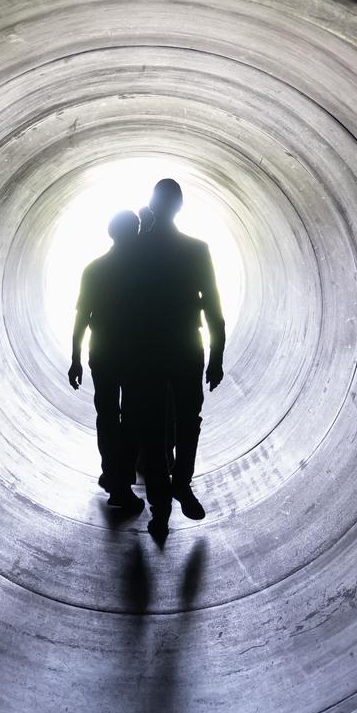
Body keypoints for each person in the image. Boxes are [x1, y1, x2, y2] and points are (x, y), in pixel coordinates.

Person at [124, 178, 226, 540]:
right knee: (188, 421)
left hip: (148, 351)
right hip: (186, 347)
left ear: (152, 206)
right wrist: (217, 356)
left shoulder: (137, 249)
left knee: (153, 428)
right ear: (180, 207)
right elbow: (213, 307)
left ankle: (161, 511)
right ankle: (181, 484)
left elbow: (124, 309)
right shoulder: (196, 250)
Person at [68, 210, 146, 515]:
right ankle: (121, 484)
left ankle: (111, 472)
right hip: (137, 354)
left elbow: (81, 318)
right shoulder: (144, 272)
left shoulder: (95, 269)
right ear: (135, 231)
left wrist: (75, 359)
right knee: (133, 418)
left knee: (107, 416)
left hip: (102, 352)